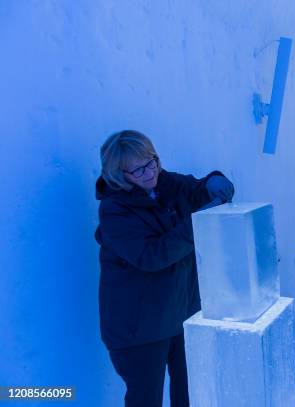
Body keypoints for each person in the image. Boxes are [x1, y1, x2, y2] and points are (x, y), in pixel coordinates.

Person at [94, 130, 234, 407]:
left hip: (180, 316)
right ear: (119, 175)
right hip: (138, 329)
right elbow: (152, 256)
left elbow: (195, 189)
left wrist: (213, 181)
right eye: (138, 169)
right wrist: (200, 222)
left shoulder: (165, 183)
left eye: (152, 162)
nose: (150, 173)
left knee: (191, 394)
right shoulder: (115, 211)